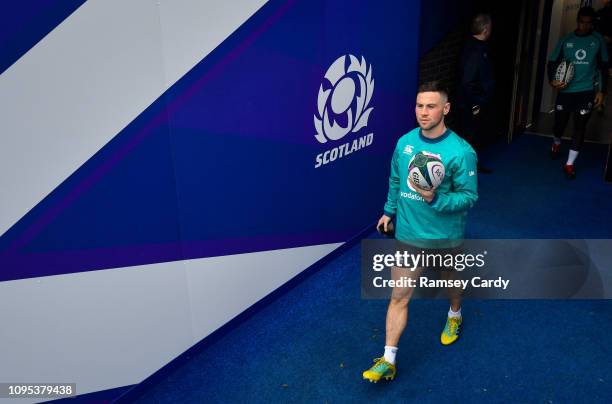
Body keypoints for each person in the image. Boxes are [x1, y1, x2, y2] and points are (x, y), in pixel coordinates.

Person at [362, 81, 478, 383]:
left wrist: (436, 198)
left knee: (451, 285)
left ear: (445, 108)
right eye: (419, 105)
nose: (423, 113)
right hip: (409, 234)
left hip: (444, 237)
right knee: (399, 295)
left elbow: (469, 196)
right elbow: (396, 179)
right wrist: (389, 211)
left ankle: (455, 314)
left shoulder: (461, 152)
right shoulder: (405, 143)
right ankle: (388, 359)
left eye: (430, 106)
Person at [548, 6, 609, 179]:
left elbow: (604, 67)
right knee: (559, 125)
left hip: (586, 91)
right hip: (566, 91)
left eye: (589, 23)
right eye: (582, 22)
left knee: (579, 127)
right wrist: (552, 79)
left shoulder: (598, 41)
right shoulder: (566, 39)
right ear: (578, 21)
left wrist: (602, 92)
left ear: (592, 24)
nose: (585, 26)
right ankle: (556, 142)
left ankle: (569, 164)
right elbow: (552, 62)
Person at [457, 13, 494, 174]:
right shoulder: (475, 50)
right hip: (472, 102)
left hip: (475, 101)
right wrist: (475, 102)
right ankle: (466, 172)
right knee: (469, 135)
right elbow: (468, 81)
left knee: (474, 135)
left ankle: (472, 166)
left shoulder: (477, 47)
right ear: (485, 29)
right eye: (490, 28)